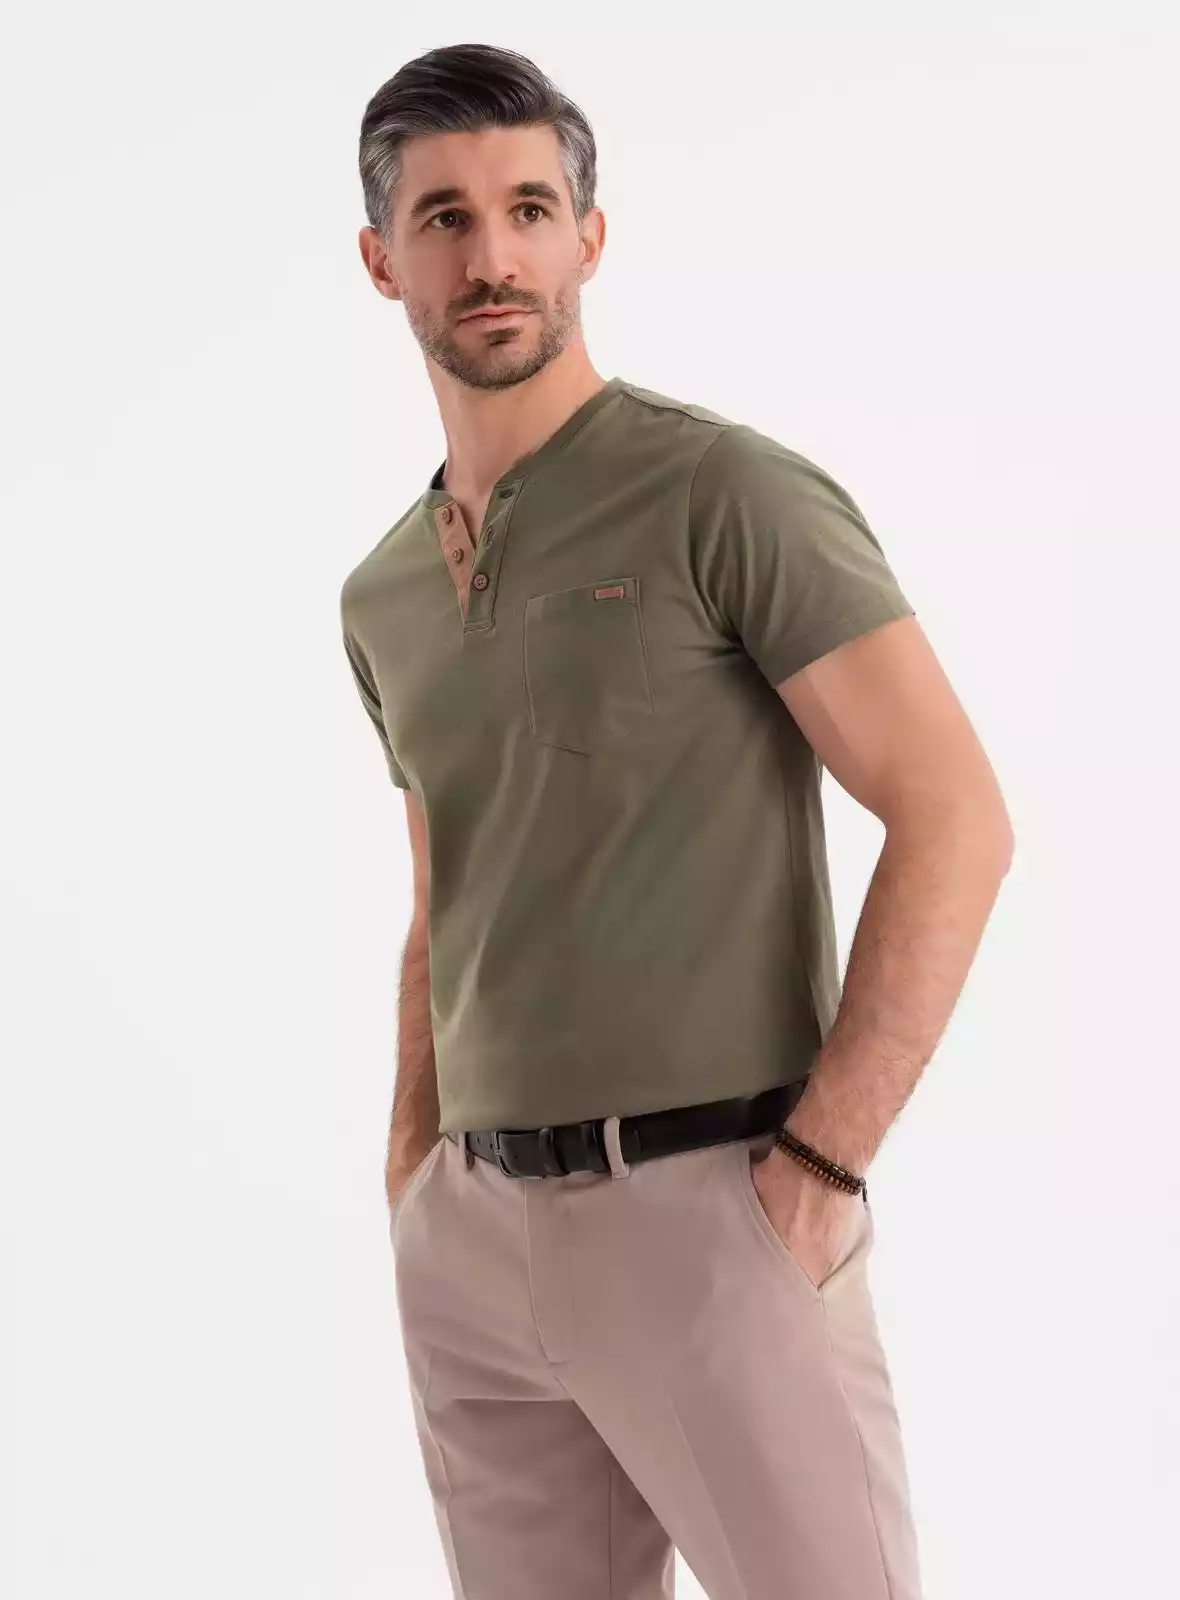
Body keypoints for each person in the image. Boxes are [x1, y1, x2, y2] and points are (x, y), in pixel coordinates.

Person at [340, 41, 1013, 1600]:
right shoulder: (381, 594)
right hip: (471, 1246)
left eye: (528, 208)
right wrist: (415, 1167)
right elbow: (442, 895)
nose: (492, 256)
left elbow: (954, 814)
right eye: (445, 218)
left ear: (589, 235)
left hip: (716, 1210)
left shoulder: (723, 494)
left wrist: (818, 1172)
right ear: (382, 261)